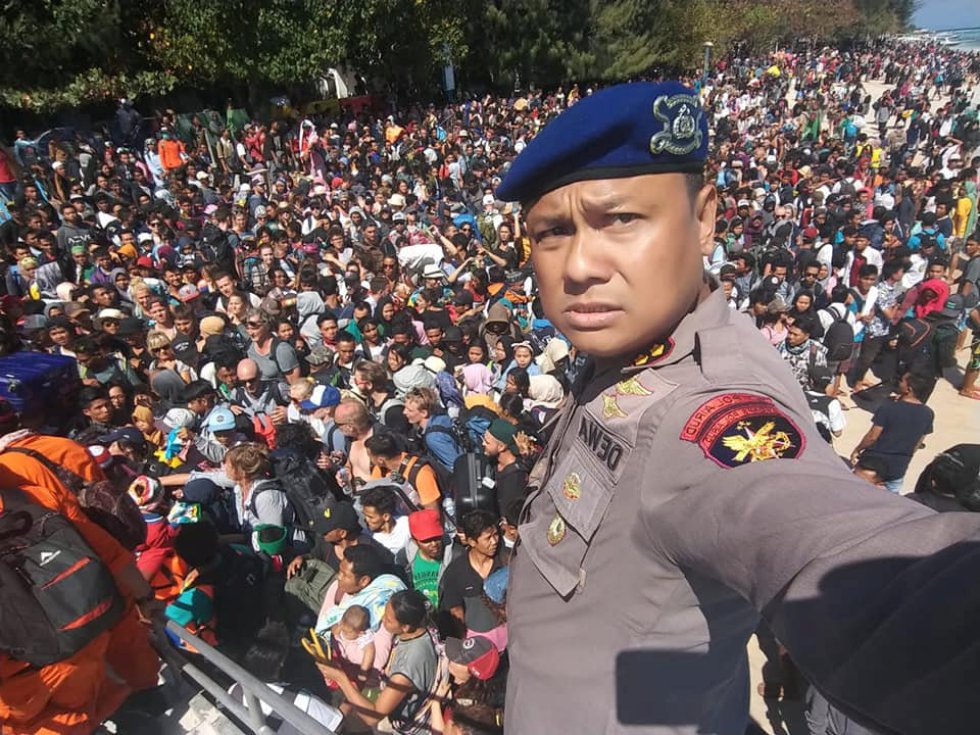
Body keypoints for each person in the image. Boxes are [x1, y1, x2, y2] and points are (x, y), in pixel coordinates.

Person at [494, 81, 980, 734]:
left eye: (621, 219)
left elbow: (858, 562)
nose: (579, 264)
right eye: (552, 231)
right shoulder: (634, 337)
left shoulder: (708, 411)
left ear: (705, 218)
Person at [317, 588, 439, 734]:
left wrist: (341, 679)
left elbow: (373, 716)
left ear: (406, 627)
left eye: (388, 619)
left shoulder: (408, 666)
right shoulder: (423, 626)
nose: (382, 619)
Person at [850, 371, 935, 493]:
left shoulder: (889, 408)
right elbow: (917, 444)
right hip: (897, 470)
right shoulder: (928, 414)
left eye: (902, 381)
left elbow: (872, 437)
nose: (899, 382)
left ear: (908, 389)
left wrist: (857, 450)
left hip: (871, 466)